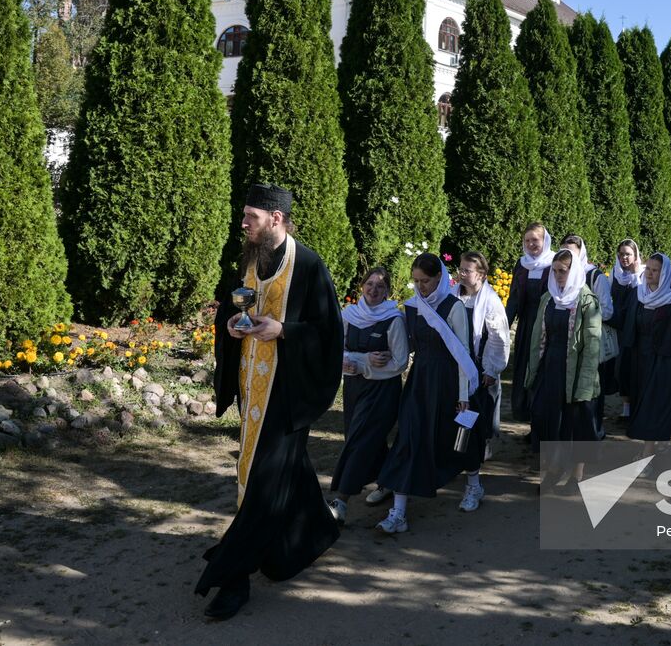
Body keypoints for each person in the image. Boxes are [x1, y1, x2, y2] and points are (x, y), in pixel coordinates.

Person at [197, 183, 344, 621]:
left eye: (251, 217)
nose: (243, 224)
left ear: (275, 219)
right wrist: (232, 326)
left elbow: (328, 332)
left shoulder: (310, 264)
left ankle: (232, 578)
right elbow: (231, 306)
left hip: (287, 393)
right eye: (244, 216)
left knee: (260, 481)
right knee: (286, 472)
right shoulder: (251, 256)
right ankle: (315, 532)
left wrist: (283, 331)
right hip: (251, 386)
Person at [375, 253, 477, 534]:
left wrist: (464, 394)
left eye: (427, 281)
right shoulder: (412, 307)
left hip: (448, 383)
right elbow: (405, 345)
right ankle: (398, 513)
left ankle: (474, 484)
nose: (421, 287)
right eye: (417, 281)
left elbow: (463, 354)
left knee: (455, 438)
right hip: (419, 381)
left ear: (440, 278)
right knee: (409, 438)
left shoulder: (453, 307)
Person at [328, 267, 408, 525]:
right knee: (358, 437)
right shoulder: (348, 315)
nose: (374, 290)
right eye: (370, 284)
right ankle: (387, 481)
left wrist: (361, 365)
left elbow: (399, 362)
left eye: (380, 286)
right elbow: (334, 351)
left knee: (359, 441)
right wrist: (357, 360)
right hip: (354, 388)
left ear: (387, 291)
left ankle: (341, 501)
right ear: (361, 286)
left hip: (383, 391)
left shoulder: (394, 319)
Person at [526, 248, 603, 484]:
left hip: (576, 369)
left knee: (576, 422)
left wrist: (585, 382)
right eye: (556, 271)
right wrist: (533, 370)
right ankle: (552, 468)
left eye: (564, 271)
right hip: (550, 365)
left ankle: (577, 474)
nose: (559, 276)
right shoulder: (548, 299)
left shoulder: (586, 301)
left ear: (574, 271)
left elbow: (592, 346)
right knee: (546, 417)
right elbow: (538, 336)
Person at [627, 252, 671, 452]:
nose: (649, 273)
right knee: (642, 403)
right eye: (647, 268)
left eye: (655, 270)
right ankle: (654, 443)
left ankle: (646, 454)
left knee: (655, 404)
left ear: (664, 273)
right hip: (640, 358)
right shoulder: (638, 295)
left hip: (663, 360)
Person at [457, 250, 509, 513]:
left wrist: (490, 370)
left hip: (478, 375)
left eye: (468, 270)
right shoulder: (455, 297)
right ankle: (462, 472)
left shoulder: (490, 302)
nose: (462, 274)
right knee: (456, 428)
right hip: (456, 372)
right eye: (461, 269)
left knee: (472, 429)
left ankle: (474, 484)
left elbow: (498, 338)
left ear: (482, 274)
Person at [562, 234, 617, 436]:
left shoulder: (595, 276)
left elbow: (608, 310)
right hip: (568, 342)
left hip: (589, 341)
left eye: (573, 251)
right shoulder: (560, 273)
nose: (570, 256)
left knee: (592, 389)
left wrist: (583, 316)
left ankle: (595, 429)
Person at [507, 223, 552, 423]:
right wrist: (504, 323)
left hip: (545, 325)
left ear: (545, 241)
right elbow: (514, 297)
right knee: (523, 363)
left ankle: (538, 412)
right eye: (527, 240)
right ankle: (522, 409)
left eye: (535, 240)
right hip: (526, 324)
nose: (531, 244)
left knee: (540, 367)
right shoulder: (521, 264)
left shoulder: (553, 263)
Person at [609, 239, 643, 423]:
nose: (624, 258)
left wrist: (637, 275)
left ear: (636, 256)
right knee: (621, 367)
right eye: (621, 254)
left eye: (628, 254)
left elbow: (642, 297)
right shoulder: (615, 273)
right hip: (619, 326)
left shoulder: (642, 274)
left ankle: (635, 407)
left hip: (635, 327)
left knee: (633, 365)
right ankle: (625, 408)